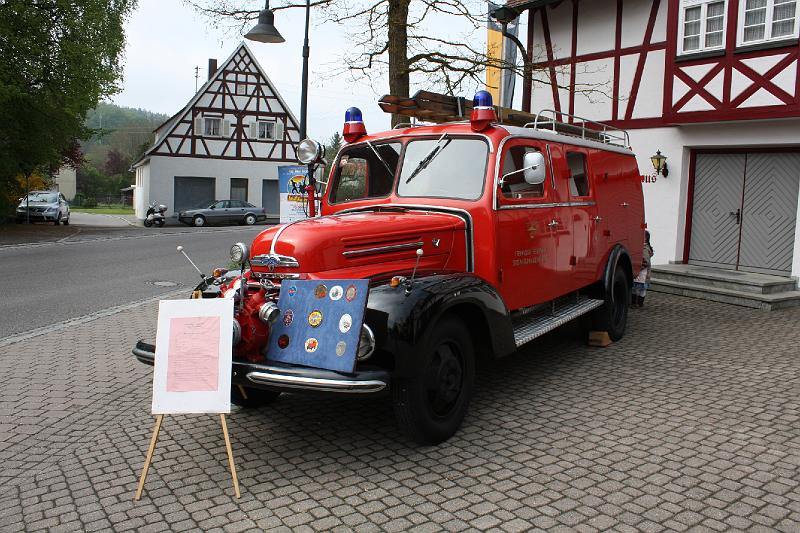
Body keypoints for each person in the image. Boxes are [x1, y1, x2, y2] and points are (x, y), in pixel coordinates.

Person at [632, 231, 653, 307]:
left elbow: (646, 262)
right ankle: (634, 302)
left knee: (641, 288)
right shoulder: (640, 247)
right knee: (635, 287)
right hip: (639, 271)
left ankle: (639, 303)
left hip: (642, 272)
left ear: (646, 239)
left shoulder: (645, 249)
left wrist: (638, 268)